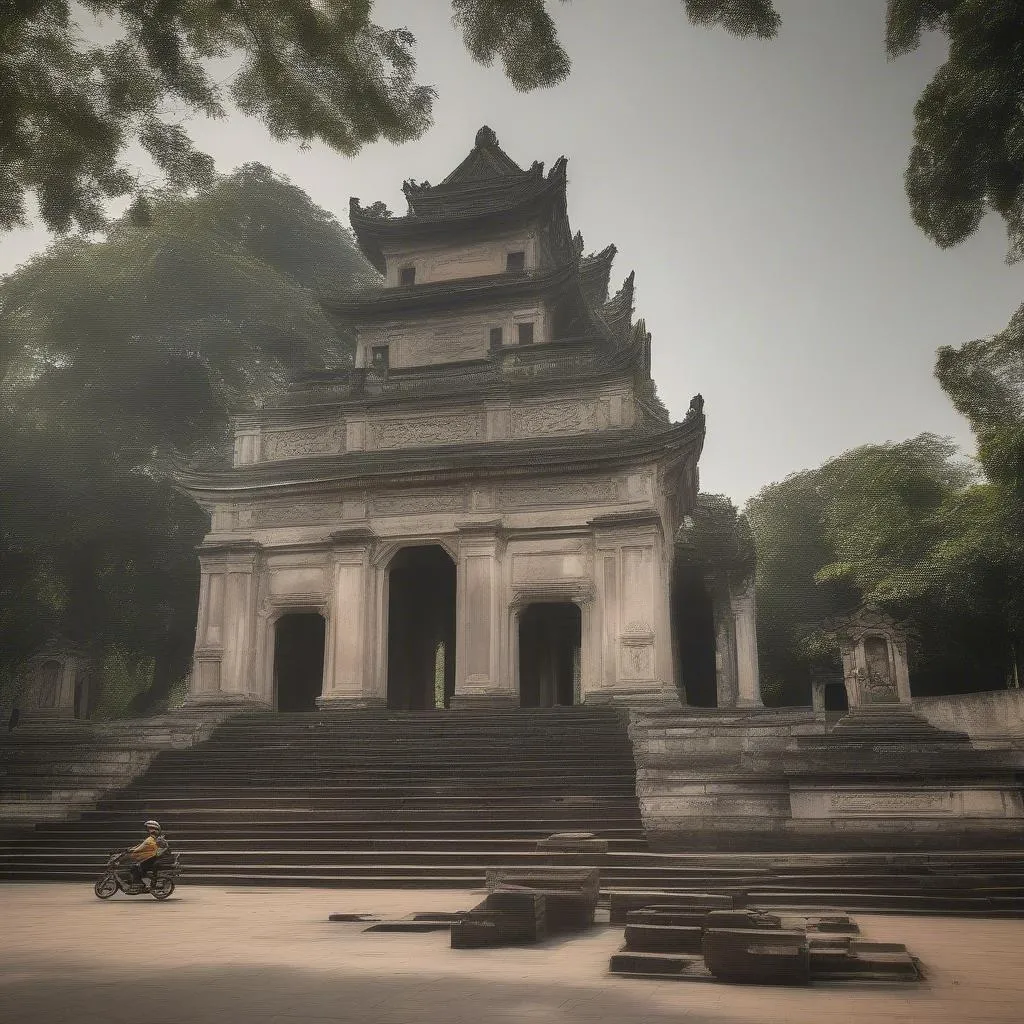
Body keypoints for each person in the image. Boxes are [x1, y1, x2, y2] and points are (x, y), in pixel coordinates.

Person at [125, 820, 170, 887]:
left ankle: (141, 884)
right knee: (138, 866)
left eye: (149, 829)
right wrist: (132, 849)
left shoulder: (154, 839)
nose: (148, 830)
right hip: (154, 858)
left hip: (155, 859)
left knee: (136, 867)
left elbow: (141, 847)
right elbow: (141, 846)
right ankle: (143, 882)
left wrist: (131, 850)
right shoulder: (155, 838)